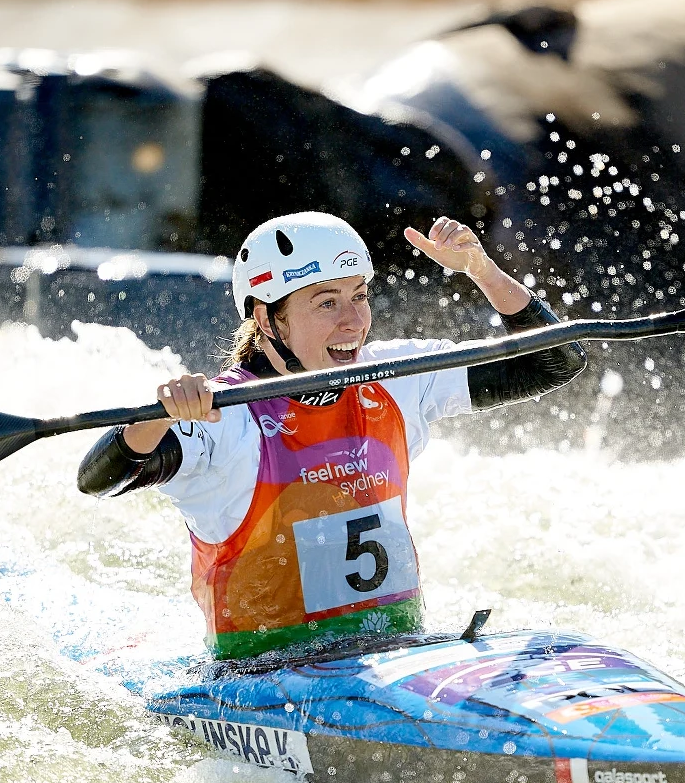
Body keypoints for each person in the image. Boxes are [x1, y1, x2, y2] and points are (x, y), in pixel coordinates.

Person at [78, 212, 586, 659]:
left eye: (359, 297)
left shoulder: (395, 376)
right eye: (326, 304)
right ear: (268, 319)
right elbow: (98, 480)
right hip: (265, 675)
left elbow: (555, 362)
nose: (353, 321)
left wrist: (481, 269)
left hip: (393, 653)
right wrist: (157, 418)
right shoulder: (222, 416)